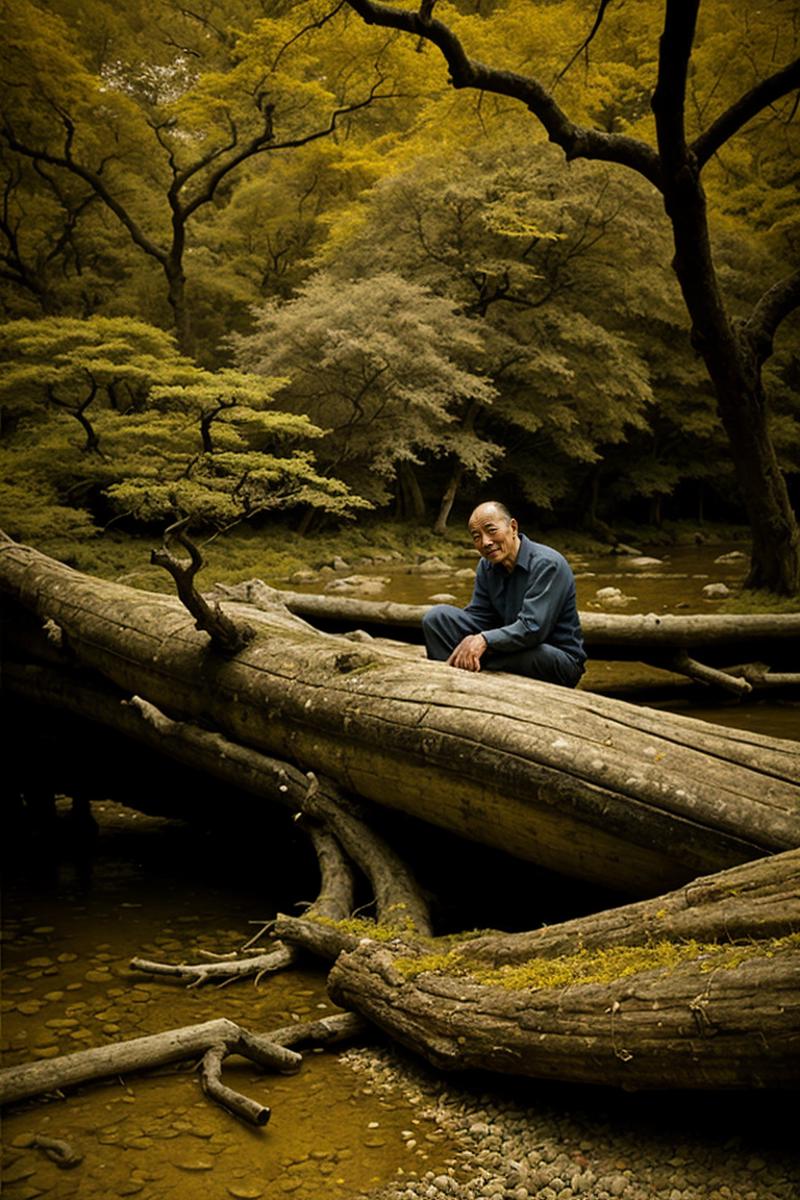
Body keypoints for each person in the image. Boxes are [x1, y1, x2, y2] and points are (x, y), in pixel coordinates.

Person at [422, 501, 586, 687]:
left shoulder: (547, 564)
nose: (485, 542)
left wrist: (484, 640)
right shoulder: (486, 565)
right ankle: (451, 684)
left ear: (513, 527)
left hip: (554, 657)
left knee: (531, 654)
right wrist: (471, 639)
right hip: (507, 647)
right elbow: (479, 616)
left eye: (491, 530)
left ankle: (465, 669)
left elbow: (533, 629)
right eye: (477, 536)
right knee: (437, 618)